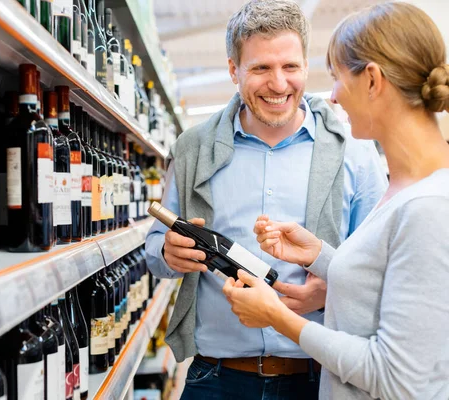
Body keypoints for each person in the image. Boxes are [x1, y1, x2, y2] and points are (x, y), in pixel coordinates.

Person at [145, 0, 388, 398]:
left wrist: (332, 289)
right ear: (233, 70)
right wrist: (169, 254)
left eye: (290, 67)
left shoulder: (354, 154)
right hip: (216, 380)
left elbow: (379, 268)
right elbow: (154, 251)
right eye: (261, 68)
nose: (279, 84)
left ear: (306, 67)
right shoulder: (193, 151)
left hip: (319, 378)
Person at [223, 2, 449, 399]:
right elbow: (385, 282)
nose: (333, 96)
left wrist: (277, 317)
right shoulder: (405, 189)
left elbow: (396, 377)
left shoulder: (428, 206)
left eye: (338, 77)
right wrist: (319, 256)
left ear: (373, 81)